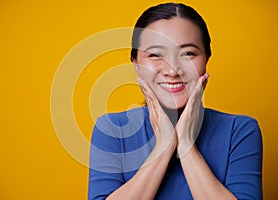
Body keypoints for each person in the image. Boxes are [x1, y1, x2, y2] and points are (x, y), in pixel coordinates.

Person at [88, 3, 263, 200]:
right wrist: (164, 146)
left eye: (188, 54)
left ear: (206, 58)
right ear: (135, 63)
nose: (172, 71)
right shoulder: (112, 129)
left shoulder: (238, 131)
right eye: (155, 55)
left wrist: (187, 145)